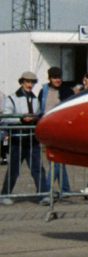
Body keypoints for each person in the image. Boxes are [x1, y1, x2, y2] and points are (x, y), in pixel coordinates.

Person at [1, 71, 48, 204]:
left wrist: (35, 119)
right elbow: (6, 117)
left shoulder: (35, 99)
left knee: (37, 168)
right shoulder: (12, 98)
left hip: (31, 138)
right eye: (27, 82)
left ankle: (43, 194)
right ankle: (5, 194)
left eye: (32, 82)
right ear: (22, 83)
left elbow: (38, 114)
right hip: (18, 138)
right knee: (14, 169)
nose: (30, 85)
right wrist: (21, 119)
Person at [39, 67, 75, 197]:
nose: (58, 80)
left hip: (61, 130)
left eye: (59, 77)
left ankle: (46, 192)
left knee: (55, 159)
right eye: (55, 78)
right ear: (49, 78)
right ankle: (65, 189)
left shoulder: (67, 91)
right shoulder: (43, 91)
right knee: (57, 159)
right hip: (48, 129)